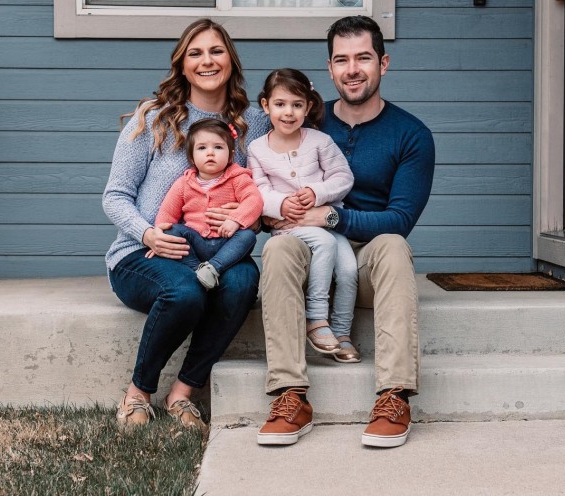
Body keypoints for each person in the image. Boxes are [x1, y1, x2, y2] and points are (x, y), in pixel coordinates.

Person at [256, 16, 435, 448]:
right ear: (330, 69)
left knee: (393, 245)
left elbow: (400, 219)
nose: (352, 69)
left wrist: (331, 217)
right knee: (278, 252)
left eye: (363, 58)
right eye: (342, 60)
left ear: (383, 63)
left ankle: (394, 395)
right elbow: (261, 193)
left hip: (368, 260)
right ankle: (289, 394)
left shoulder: (412, 135)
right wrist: (277, 214)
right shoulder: (298, 121)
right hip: (307, 252)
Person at [102, 18, 270, 430]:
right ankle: (138, 393)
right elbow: (115, 196)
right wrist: (149, 234)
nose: (207, 61)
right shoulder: (153, 119)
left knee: (244, 281)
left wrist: (243, 217)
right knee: (186, 291)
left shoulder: (257, 123)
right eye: (195, 53)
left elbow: (267, 195)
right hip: (143, 253)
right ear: (181, 63)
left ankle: (183, 393)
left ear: (231, 59)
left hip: (216, 252)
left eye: (216, 51)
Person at [248, 68, 357, 360]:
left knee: (348, 270)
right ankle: (316, 318)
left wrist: (317, 192)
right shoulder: (257, 149)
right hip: (289, 225)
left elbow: (342, 177)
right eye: (280, 104)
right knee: (324, 244)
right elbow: (257, 190)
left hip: (328, 224)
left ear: (307, 107)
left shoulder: (319, 141)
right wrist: (281, 204)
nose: (288, 112)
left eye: (297, 105)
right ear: (265, 105)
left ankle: (341, 332)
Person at [151, 118, 264, 290]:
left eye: (218, 147)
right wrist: (160, 239)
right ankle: (197, 269)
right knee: (172, 230)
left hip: (226, 241)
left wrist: (235, 220)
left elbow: (254, 200)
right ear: (192, 157)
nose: (210, 153)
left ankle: (214, 268)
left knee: (247, 235)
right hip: (195, 243)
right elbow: (167, 214)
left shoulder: (238, 178)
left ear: (231, 155)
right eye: (202, 148)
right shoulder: (184, 183)